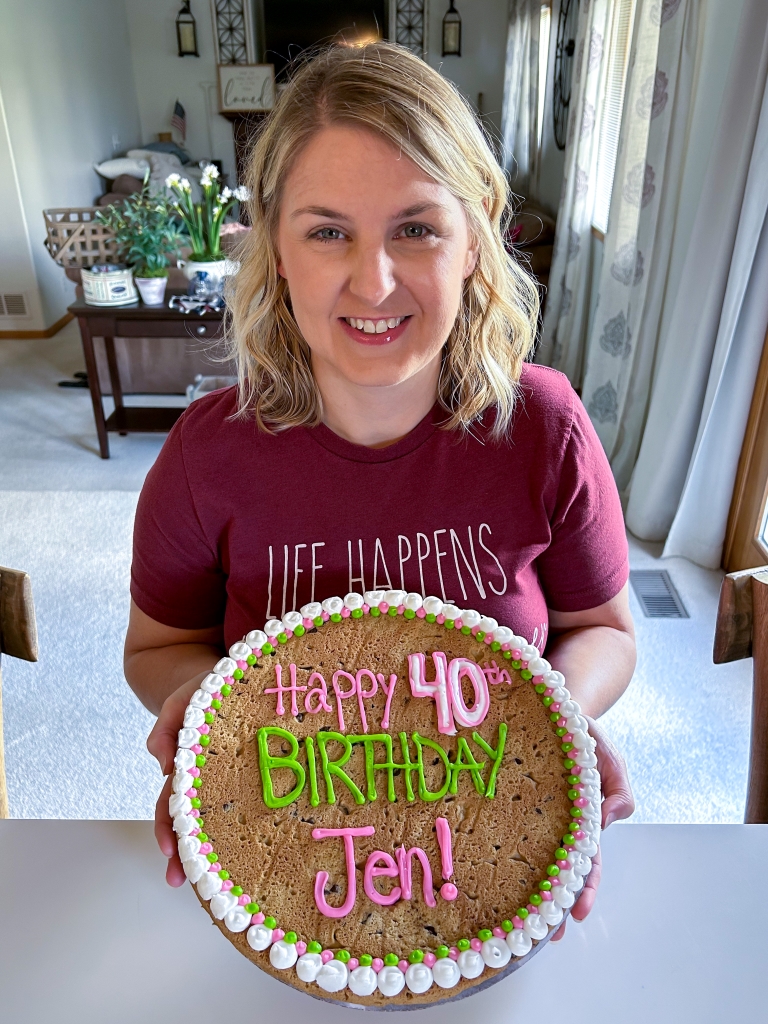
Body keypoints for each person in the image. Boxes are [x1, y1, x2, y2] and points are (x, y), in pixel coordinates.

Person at [124, 42, 635, 941]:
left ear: (475, 236)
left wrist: (559, 720)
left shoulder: (543, 426)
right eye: (328, 232)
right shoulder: (208, 456)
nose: (376, 281)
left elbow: (605, 628)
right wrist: (206, 712)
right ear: (274, 248)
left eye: (417, 227)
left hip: (482, 851)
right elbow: (160, 643)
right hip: (289, 854)